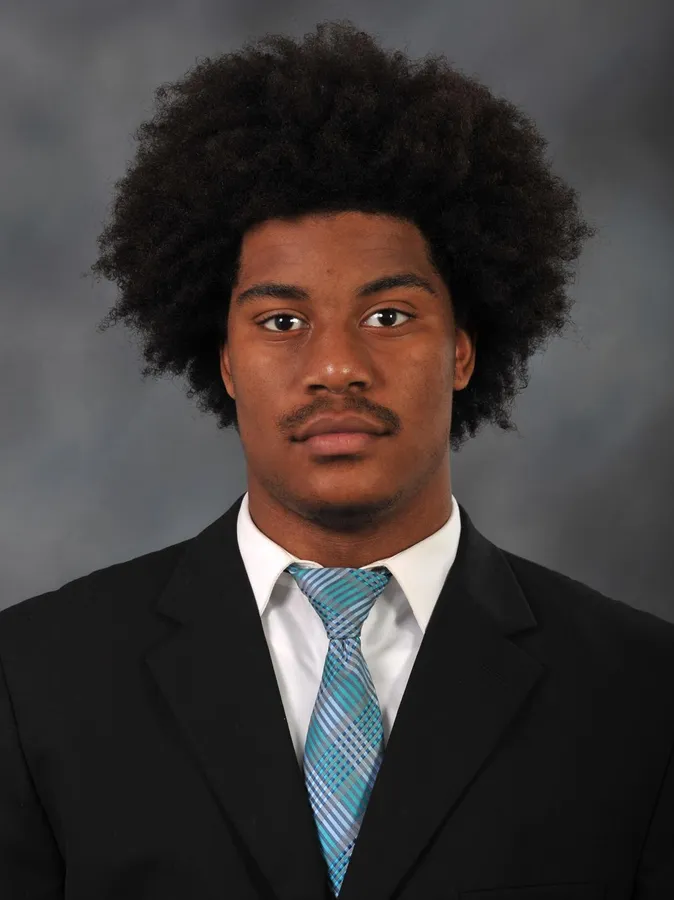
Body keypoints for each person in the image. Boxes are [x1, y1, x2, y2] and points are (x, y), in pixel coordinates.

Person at [1, 19, 672, 900]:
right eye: (282, 321)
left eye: (388, 316)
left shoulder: (644, 693)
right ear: (225, 361)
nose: (335, 367)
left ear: (462, 350)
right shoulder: (35, 677)